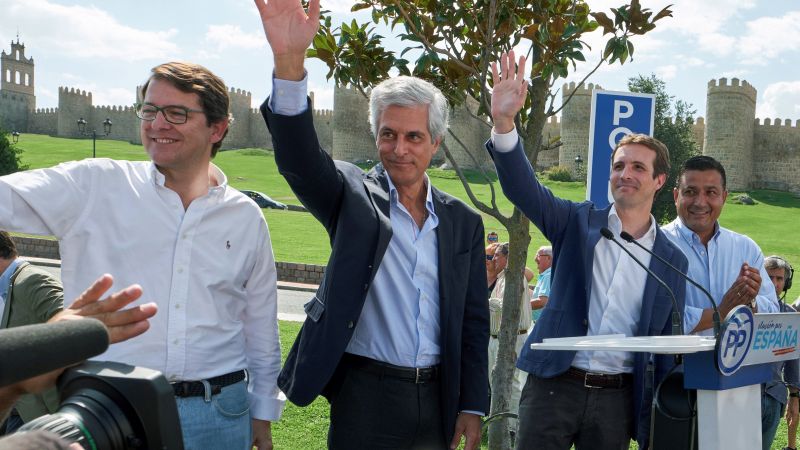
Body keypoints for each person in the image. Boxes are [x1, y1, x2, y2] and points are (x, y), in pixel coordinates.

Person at [0, 62, 284, 449]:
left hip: (221, 413)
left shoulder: (246, 217)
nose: (157, 123)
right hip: (114, 410)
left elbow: (260, 323)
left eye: (176, 113)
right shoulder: (94, 185)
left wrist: (262, 412)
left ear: (217, 128)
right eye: (149, 110)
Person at [255, 1, 489, 448]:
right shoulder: (351, 195)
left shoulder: (463, 222)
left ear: (435, 143)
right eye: (388, 134)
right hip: (365, 395)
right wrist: (289, 65)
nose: (399, 148)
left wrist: (472, 404)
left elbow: (473, 321)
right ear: (376, 135)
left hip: (438, 397)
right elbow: (300, 160)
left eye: (413, 136)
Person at [487, 51, 688, 450]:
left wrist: (655, 424)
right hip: (553, 388)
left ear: (660, 180)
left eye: (637, 168)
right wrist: (504, 123)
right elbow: (523, 189)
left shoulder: (673, 261)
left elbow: (664, 346)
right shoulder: (576, 222)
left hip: (616, 401)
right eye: (618, 166)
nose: (624, 174)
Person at [662, 155, 779, 337]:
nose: (700, 202)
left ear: (724, 197)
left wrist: (750, 301)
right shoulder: (656, 246)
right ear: (676, 196)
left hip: (738, 364)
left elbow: (774, 313)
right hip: (676, 365)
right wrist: (721, 313)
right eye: (690, 192)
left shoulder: (746, 248)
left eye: (711, 192)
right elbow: (657, 321)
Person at [0, 232, 63, 434]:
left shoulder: (31, 280)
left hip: (43, 413)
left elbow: (70, 326)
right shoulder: (10, 283)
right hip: (20, 407)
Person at [487, 242, 531, 435]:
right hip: (497, 337)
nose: (493, 259)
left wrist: (482, 299)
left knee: (511, 382)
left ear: (508, 257)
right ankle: (498, 422)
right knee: (496, 380)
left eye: (497, 255)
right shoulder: (503, 277)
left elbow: (506, 307)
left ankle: (511, 427)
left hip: (512, 337)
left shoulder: (515, 278)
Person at [763, 255, 798, 450]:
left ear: (786, 283)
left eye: (779, 279)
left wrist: (794, 397)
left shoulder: (790, 316)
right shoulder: (745, 311)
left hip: (775, 397)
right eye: (769, 277)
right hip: (744, 395)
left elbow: (794, 360)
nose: (775, 284)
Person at [530, 246, 552, 323]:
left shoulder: (548, 276)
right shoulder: (546, 274)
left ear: (548, 258)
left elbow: (542, 302)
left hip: (542, 323)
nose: (535, 258)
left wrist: (522, 307)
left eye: (538, 255)